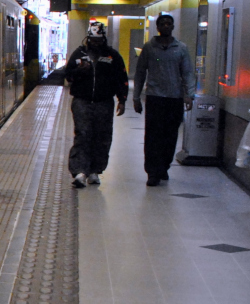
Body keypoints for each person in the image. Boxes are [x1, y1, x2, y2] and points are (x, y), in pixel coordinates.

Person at [132, 13, 195, 186]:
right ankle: (152, 172)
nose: (166, 26)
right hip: (154, 98)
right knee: (153, 136)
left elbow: (188, 72)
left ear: (173, 27)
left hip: (174, 99)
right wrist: (136, 97)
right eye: (163, 24)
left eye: (169, 23)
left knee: (170, 135)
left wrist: (189, 95)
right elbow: (140, 73)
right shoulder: (149, 48)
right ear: (158, 27)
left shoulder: (181, 48)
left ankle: (164, 167)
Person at [65, 21, 128, 187]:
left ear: (104, 39)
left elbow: (121, 79)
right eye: (93, 40)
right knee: (83, 134)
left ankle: (95, 170)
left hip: (104, 102)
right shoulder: (79, 54)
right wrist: (79, 71)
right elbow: (68, 75)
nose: (96, 43)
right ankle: (79, 172)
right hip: (82, 101)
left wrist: (122, 99)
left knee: (102, 136)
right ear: (88, 38)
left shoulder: (112, 56)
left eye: (99, 41)